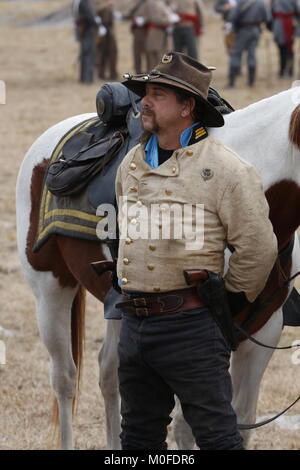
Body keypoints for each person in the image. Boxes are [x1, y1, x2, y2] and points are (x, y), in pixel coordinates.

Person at [115, 51, 278, 450]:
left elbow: (258, 249)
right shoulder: (130, 166)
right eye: (144, 93)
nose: (144, 102)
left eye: (157, 94)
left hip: (191, 328)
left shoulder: (227, 170)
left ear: (187, 107)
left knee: (218, 439)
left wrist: (227, 302)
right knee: (137, 439)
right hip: (133, 326)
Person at [226, 0, 269, 87]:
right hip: (256, 31)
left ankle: (231, 82)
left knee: (235, 55)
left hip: (242, 31)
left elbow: (232, 16)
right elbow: (267, 18)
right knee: (252, 55)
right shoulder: (261, 2)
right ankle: (251, 82)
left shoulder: (239, 2)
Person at [270, 0, 300, 77]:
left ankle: (285, 70)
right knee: (285, 49)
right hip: (285, 24)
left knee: (285, 49)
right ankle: (286, 70)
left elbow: (271, 13)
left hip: (285, 24)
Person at [73, 0, 100, 83]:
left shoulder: (77, 2)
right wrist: (97, 24)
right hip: (88, 30)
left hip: (83, 30)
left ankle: (83, 78)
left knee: (84, 54)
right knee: (89, 54)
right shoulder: (84, 2)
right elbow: (89, 16)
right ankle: (88, 79)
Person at [95, 0, 119, 80]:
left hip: (110, 33)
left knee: (113, 53)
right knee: (102, 54)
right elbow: (96, 11)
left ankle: (113, 74)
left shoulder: (111, 9)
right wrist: (106, 6)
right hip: (102, 33)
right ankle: (101, 74)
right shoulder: (100, 5)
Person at [124, 0, 148, 74]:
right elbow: (128, 14)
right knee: (137, 53)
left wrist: (144, 19)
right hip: (137, 31)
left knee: (147, 53)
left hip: (145, 31)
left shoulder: (148, 3)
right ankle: (138, 73)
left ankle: (149, 72)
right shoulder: (136, 4)